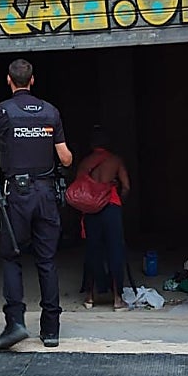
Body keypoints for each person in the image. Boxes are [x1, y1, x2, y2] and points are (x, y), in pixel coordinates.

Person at [0, 58, 72, 350]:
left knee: (11, 257)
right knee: (46, 261)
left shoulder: (2, 111)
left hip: (17, 195)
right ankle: (51, 331)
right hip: (46, 194)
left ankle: (16, 323)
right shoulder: (51, 112)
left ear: (9, 80)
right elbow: (66, 159)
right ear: (32, 80)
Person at [79, 126, 131, 310]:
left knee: (93, 250)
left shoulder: (85, 162)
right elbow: (126, 187)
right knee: (115, 251)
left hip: (92, 210)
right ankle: (117, 299)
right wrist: (118, 201)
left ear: (92, 144)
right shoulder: (115, 160)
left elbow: (80, 188)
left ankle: (90, 297)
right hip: (111, 207)